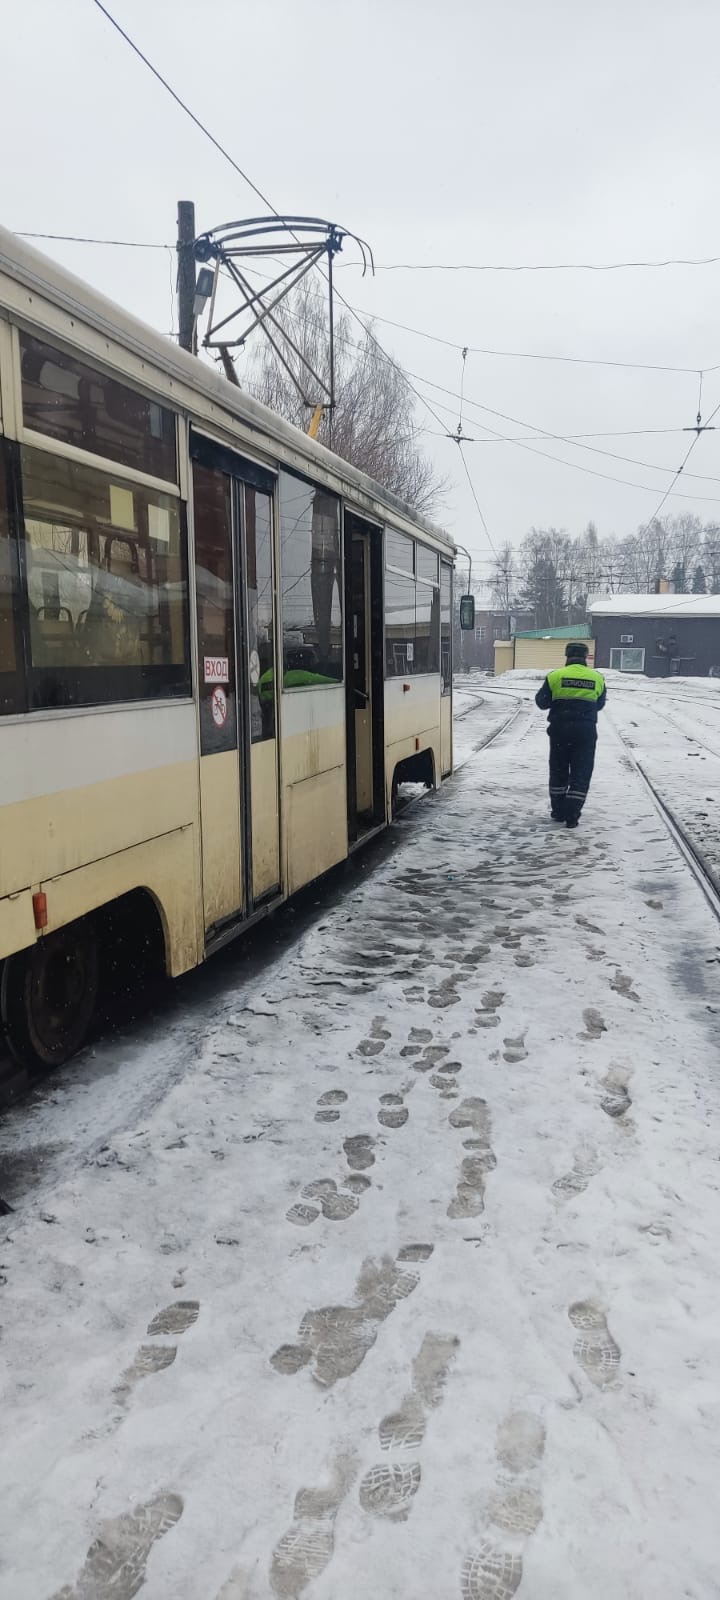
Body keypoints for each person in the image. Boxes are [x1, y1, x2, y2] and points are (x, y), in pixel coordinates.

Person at [534, 642, 606, 828]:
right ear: (585, 657)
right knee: (581, 773)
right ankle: (572, 815)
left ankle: (558, 812)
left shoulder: (556, 676)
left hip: (560, 732)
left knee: (558, 771)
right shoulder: (597, 678)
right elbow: (599, 704)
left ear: (567, 656)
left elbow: (542, 702)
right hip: (585, 733)